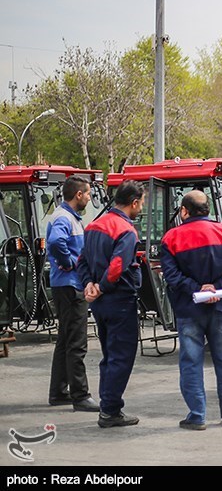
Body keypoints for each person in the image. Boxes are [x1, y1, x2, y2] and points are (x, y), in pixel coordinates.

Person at [160, 190, 222, 430]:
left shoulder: (171, 238)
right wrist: (216, 288)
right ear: (207, 209)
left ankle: (197, 416)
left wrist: (198, 289)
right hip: (221, 308)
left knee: (191, 363)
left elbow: (171, 276)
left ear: (184, 211)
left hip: (189, 310)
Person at [77, 180, 146, 429]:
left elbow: (81, 260)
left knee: (109, 355)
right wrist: (103, 286)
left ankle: (108, 405)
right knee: (121, 356)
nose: (141, 208)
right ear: (134, 202)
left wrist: (89, 286)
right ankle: (110, 410)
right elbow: (118, 265)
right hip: (120, 300)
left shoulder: (94, 225)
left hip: (100, 303)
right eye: (141, 204)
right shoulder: (126, 230)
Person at [47, 175, 100, 412]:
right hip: (70, 286)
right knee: (77, 343)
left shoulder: (68, 217)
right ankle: (80, 395)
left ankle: (59, 391)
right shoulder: (65, 218)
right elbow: (56, 242)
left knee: (65, 341)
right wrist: (69, 261)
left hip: (66, 285)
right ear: (78, 195)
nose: (89, 197)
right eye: (88, 193)